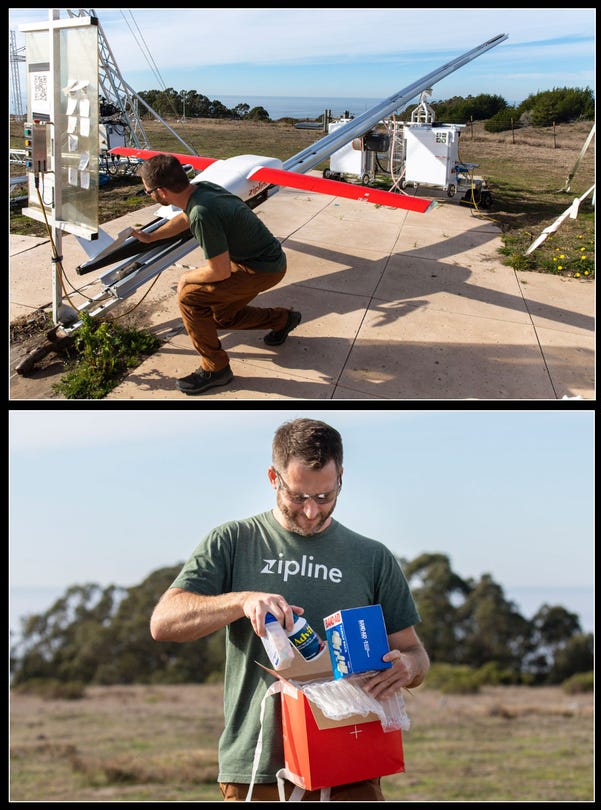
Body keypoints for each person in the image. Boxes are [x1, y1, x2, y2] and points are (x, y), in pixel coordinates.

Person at [149, 418, 428, 801]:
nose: (311, 511)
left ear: (341, 477)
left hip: (352, 764)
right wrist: (241, 600)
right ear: (272, 477)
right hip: (259, 769)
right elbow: (164, 622)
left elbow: (415, 655)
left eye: (325, 497)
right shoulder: (233, 541)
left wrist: (408, 667)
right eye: (298, 497)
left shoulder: (372, 557)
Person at [132, 154, 302, 395]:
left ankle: (216, 368)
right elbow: (185, 217)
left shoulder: (203, 213)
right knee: (223, 317)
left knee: (190, 297)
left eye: (148, 191)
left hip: (261, 269)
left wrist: (185, 278)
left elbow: (218, 271)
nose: (149, 195)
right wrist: (151, 236)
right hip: (261, 261)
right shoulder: (201, 190)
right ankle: (282, 320)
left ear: (161, 192)